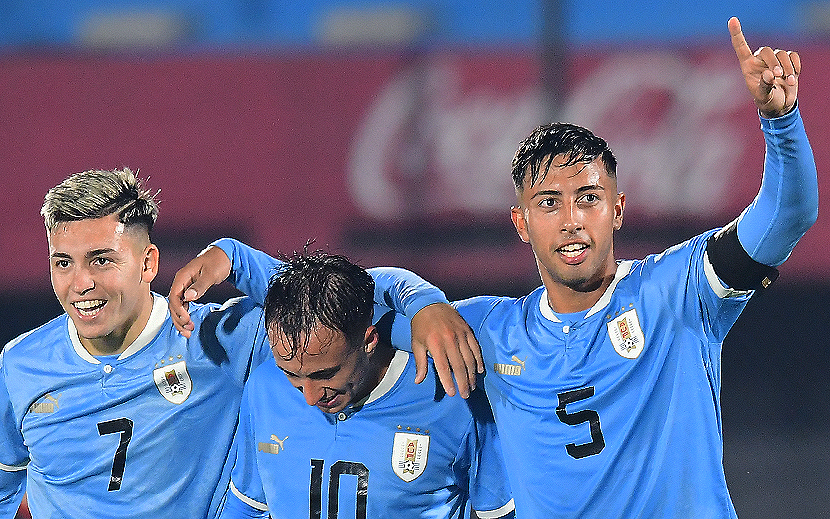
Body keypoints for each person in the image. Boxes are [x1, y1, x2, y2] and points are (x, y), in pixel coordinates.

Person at [171, 16, 818, 518]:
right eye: (549, 203)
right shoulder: (486, 335)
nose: (571, 220)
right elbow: (352, 301)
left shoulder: (679, 291)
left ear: (618, 209)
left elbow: (785, 218)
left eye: (589, 199)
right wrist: (240, 260)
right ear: (520, 221)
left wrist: (780, 122)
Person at [0, 168, 452, 518]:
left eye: (101, 261)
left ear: (148, 262)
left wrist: (425, 305)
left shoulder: (224, 339)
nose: (80, 283)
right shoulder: (20, 365)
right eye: (63, 262)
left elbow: (343, 297)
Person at [213, 250, 514, 518]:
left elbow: (498, 512)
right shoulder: (264, 386)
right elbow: (247, 506)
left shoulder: (452, 396)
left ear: (369, 340)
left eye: (324, 375)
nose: (309, 397)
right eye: (292, 375)